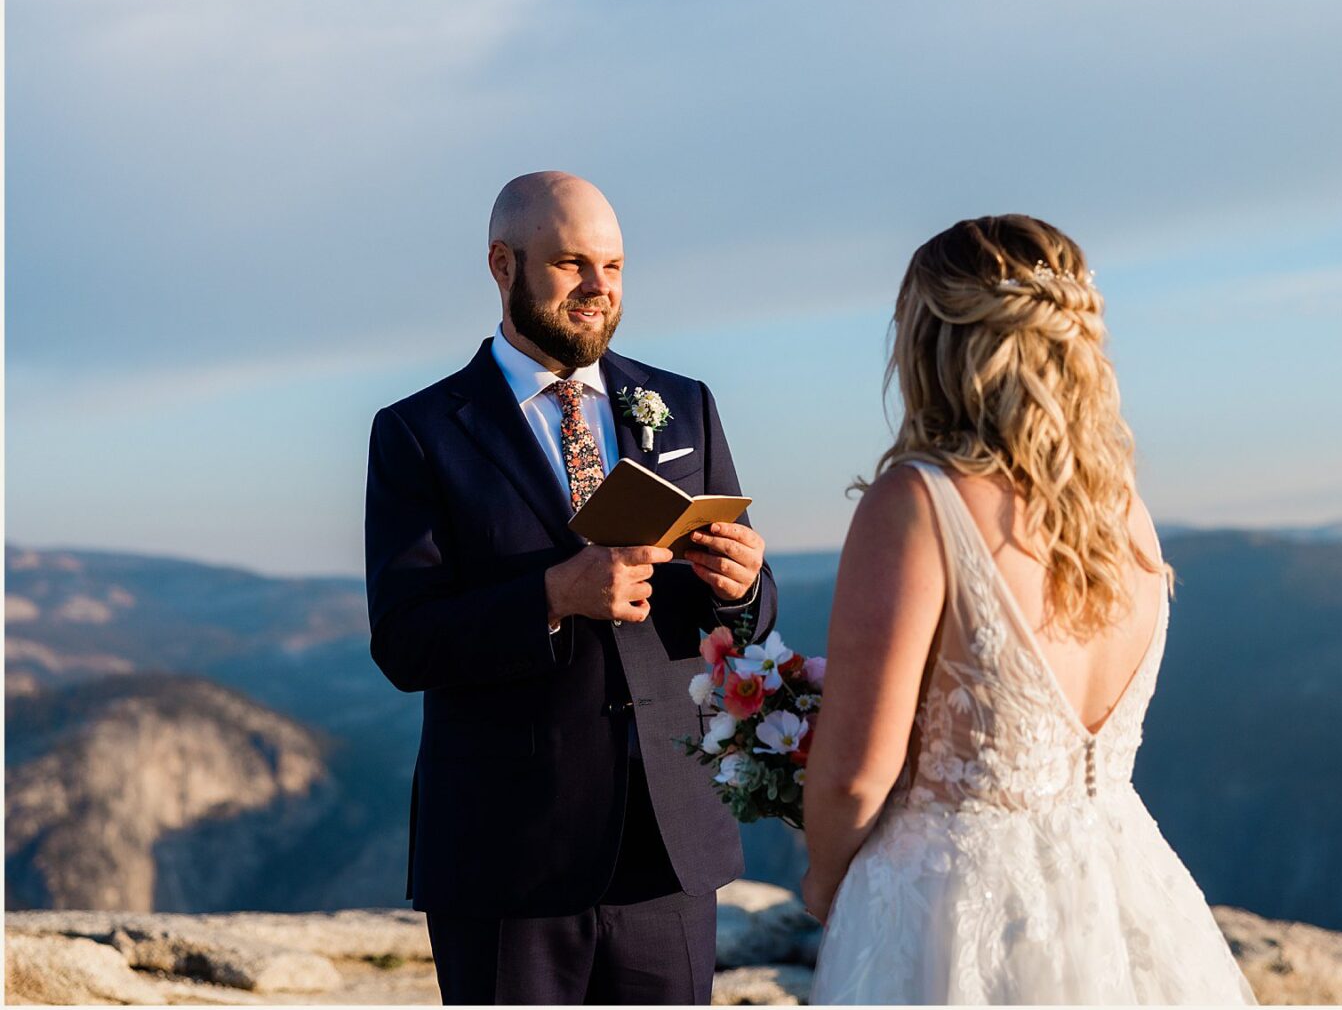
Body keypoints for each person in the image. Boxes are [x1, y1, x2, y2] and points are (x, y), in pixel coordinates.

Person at [801, 215, 1257, 1004]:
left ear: (932, 342)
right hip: (1120, 890)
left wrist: (824, 881)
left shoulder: (918, 504)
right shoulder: (1126, 516)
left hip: (953, 915)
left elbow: (853, 777)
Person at [364, 171, 777, 1004]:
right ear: (502, 265)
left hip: (667, 845)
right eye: (570, 264)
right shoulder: (420, 431)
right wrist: (553, 596)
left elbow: (746, 620)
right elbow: (405, 642)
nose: (599, 287)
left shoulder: (683, 404)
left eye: (613, 266)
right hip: (508, 855)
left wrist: (741, 589)